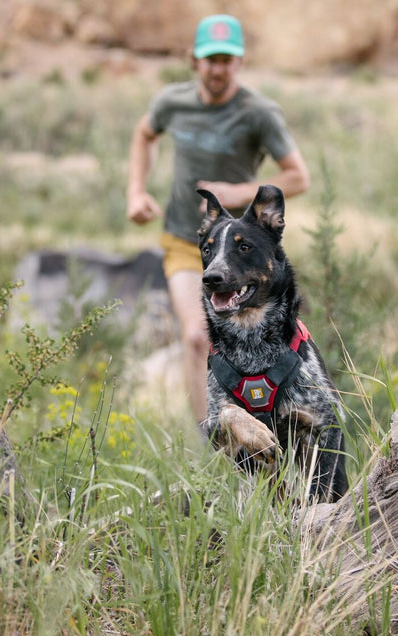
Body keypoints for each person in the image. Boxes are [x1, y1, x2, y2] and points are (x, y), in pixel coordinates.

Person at [125, 13, 311, 424]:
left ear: (240, 62)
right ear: (194, 60)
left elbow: (299, 176)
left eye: (227, 59)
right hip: (184, 242)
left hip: (239, 249)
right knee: (196, 337)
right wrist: (136, 190)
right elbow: (144, 135)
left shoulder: (258, 112)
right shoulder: (172, 102)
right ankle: (211, 436)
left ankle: (266, 421)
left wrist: (237, 194)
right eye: (211, 59)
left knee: (251, 337)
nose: (218, 68)